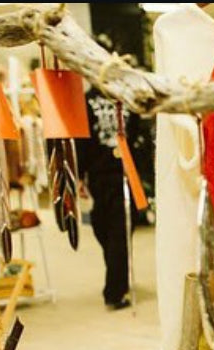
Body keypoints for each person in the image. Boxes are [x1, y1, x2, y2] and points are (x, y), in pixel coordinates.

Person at [77, 86, 137, 310]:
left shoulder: (127, 96)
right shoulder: (88, 100)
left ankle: (115, 290)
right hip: (98, 173)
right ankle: (118, 276)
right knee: (104, 228)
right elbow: (82, 138)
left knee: (120, 230)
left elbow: (138, 131)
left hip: (126, 173)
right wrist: (80, 175)